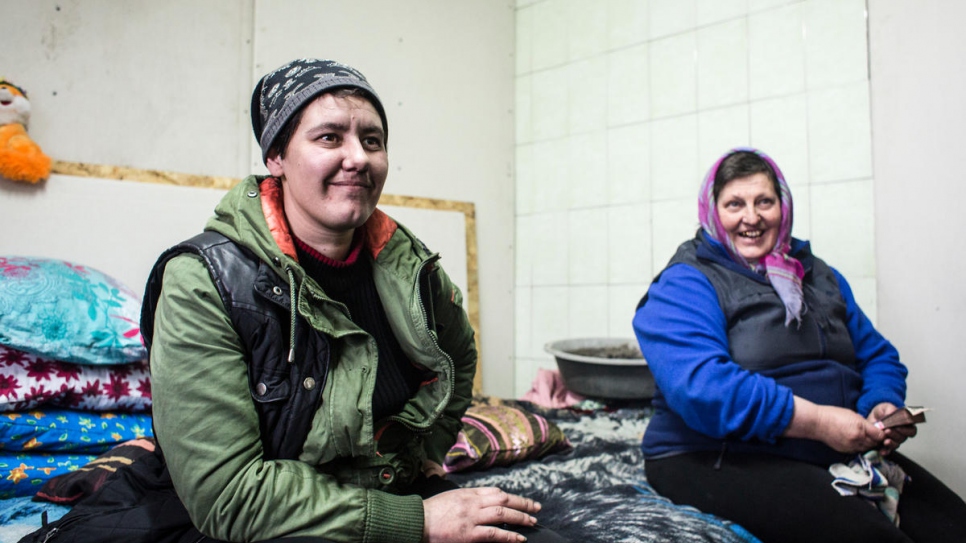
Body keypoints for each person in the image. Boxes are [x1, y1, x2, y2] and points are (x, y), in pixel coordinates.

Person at [21, 59, 563, 543]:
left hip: (386, 496)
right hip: (260, 522)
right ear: (277, 156)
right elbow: (228, 497)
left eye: (373, 141)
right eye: (330, 138)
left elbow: (457, 358)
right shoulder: (203, 282)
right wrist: (417, 522)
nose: (358, 157)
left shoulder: (410, 269)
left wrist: (418, 460)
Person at [633, 147, 966, 543]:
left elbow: (876, 354)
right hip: (715, 456)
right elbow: (704, 388)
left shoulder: (817, 275)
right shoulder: (687, 281)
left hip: (829, 448)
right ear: (711, 212)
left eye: (764, 202)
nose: (751, 217)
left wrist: (880, 402)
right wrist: (822, 424)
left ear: (783, 207)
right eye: (734, 204)